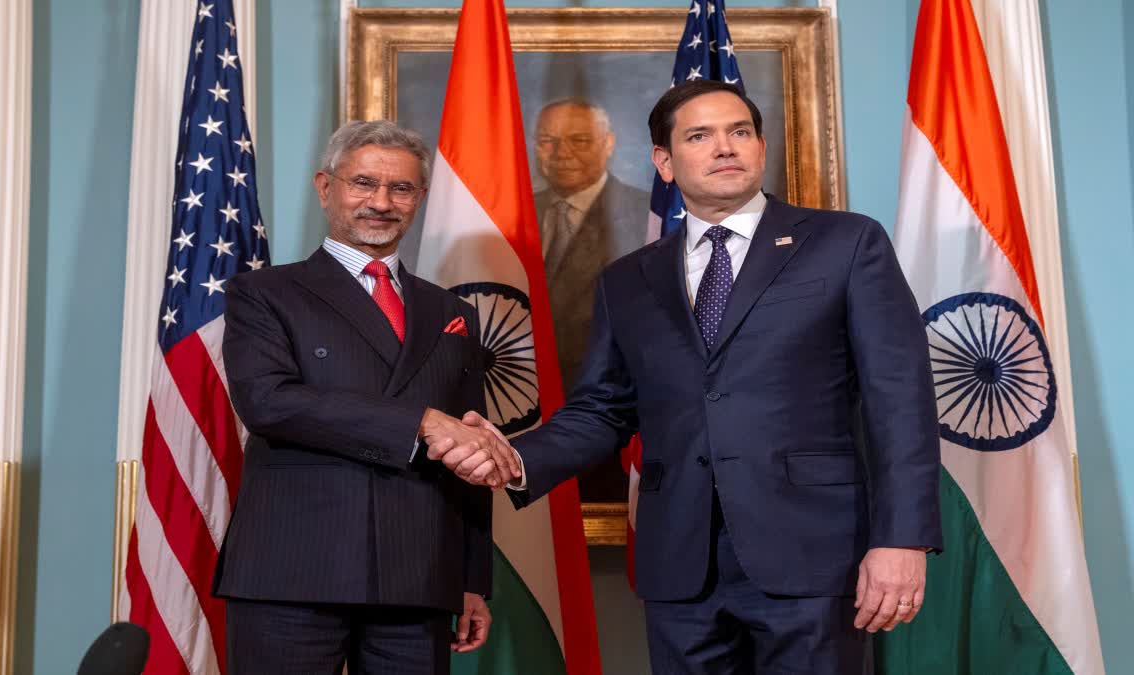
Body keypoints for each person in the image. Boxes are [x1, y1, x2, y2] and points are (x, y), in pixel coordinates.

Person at [438, 81, 943, 674]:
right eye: (699, 136)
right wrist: (516, 458)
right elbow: (603, 408)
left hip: (812, 555)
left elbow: (900, 401)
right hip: (679, 561)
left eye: (739, 132)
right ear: (665, 162)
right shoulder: (629, 279)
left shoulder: (846, 243)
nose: (724, 147)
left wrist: (902, 539)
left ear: (759, 146)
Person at [214, 120, 521, 674]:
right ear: (326, 187)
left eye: (400, 188)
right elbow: (268, 401)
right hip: (292, 569)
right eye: (363, 183)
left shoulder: (453, 314)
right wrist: (423, 421)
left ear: (420, 198)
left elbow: (469, 450)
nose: (381, 202)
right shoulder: (264, 293)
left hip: (418, 571)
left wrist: (472, 578)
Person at [532, 98, 652, 501]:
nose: (561, 153)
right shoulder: (509, 215)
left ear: (609, 143)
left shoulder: (648, 216)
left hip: (610, 423)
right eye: (548, 140)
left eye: (580, 140)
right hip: (521, 414)